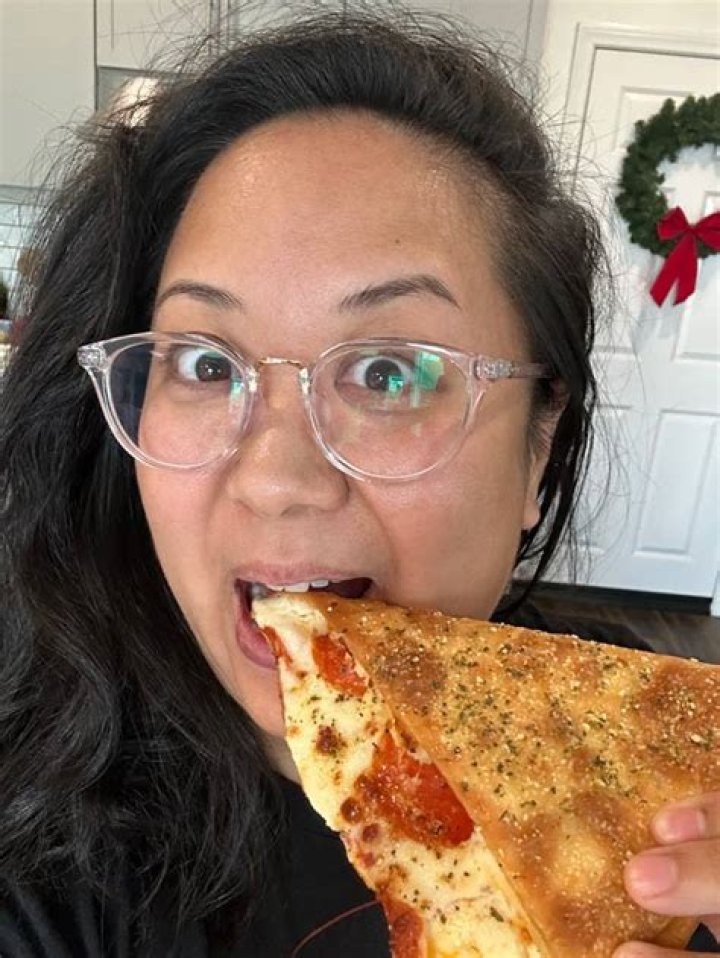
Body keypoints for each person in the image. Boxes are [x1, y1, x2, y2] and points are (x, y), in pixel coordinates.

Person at [0, 10, 717, 957]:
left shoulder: (667, 794)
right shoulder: (41, 868)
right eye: (206, 365)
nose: (276, 478)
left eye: (388, 372)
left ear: (538, 446)